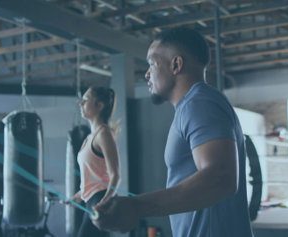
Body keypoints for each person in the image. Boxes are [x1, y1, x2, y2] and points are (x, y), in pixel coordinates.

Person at [93, 27, 253, 237]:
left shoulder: (199, 103)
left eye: (152, 63)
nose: (147, 73)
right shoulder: (192, 106)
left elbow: (221, 178)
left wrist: (137, 207)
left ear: (176, 64)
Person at [68, 86, 121, 237]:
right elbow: (95, 176)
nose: (81, 104)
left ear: (99, 106)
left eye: (85, 100)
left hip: (99, 201)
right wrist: (79, 195)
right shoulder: (89, 137)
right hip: (90, 201)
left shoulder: (104, 134)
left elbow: (115, 176)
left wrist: (104, 202)